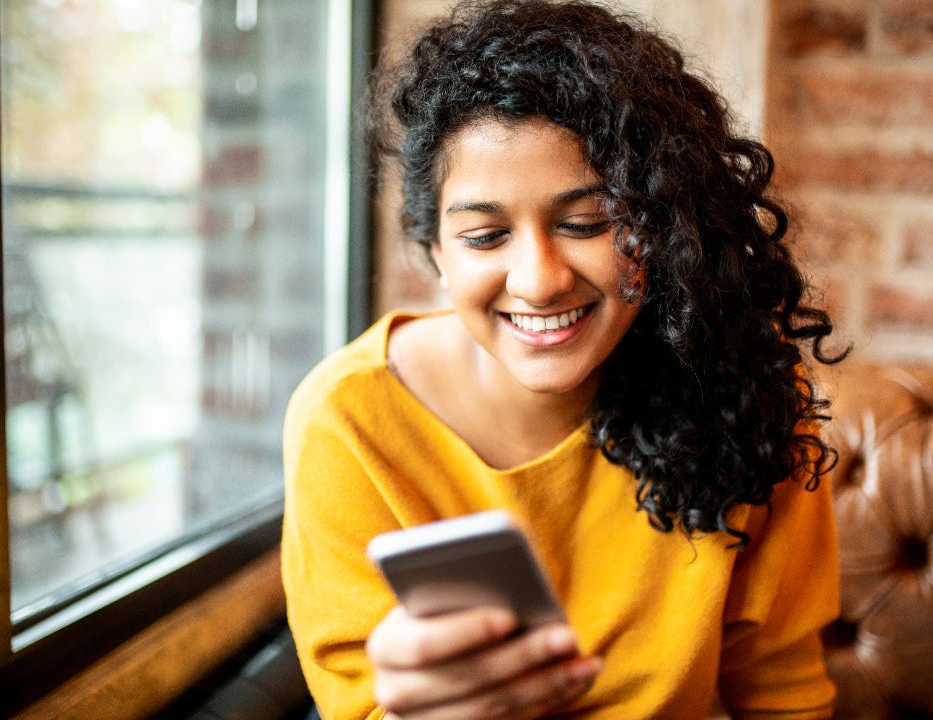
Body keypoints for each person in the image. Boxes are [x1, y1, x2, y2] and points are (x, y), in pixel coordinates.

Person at [281, 1, 847, 717]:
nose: (540, 279)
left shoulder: (745, 388)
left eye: (588, 223)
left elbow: (782, 692)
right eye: (485, 237)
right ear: (436, 253)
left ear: (665, 225)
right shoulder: (349, 421)